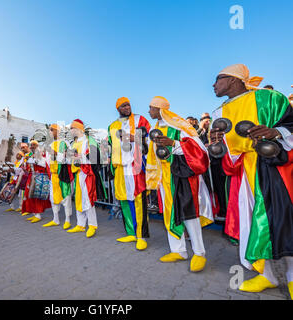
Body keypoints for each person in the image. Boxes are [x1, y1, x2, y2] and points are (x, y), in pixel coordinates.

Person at [210, 63, 293, 297]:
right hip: (243, 174)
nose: (214, 85)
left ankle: (292, 277)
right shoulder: (219, 112)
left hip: (275, 167)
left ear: (235, 80)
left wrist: (275, 133)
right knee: (252, 223)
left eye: (218, 79)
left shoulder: (270, 98)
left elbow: (290, 124)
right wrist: (219, 142)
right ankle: (266, 275)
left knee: (283, 220)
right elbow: (224, 149)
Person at [146, 96, 213, 272]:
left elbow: (198, 149)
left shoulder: (179, 124)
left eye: (151, 108)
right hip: (164, 178)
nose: (148, 111)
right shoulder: (155, 128)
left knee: (189, 213)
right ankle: (178, 250)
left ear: (159, 109)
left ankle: (199, 253)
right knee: (169, 214)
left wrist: (173, 143)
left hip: (182, 176)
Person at [108, 97, 151, 250]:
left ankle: (141, 235)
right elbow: (110, 144)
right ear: (118, 108)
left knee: (138, 199)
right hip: (120, 166)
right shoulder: (112, 126)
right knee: (125, 200)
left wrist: (135, 138)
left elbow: (150, 136)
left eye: (128, 104)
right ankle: (131, 233)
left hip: (135, 164)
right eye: (123, 105)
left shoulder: (140, 119)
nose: (127, 107)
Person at [67, 119, 105, 238]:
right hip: (78, 174)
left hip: (88, 174)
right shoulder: (73, 143)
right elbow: (69, 160)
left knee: (88, 199)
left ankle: (92, 225)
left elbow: (95, 158)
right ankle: (80, 224)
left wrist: (80, 157)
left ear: (78, 129)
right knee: (78, 199)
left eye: (72, 128)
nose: (71, 131)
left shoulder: (89, 141)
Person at [43, 124, 74, 229]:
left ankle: (67, 220)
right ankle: (55, 219)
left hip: (63, 175)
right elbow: (47, 161)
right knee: (53, 198)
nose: (50, 132)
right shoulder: (50, 145)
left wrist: (56, 154)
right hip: (53, 175)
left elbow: (70, 159)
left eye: (52, 130)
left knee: (66, 197)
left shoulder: (65, 143)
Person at [22, 140, 51, 223]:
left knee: (36, 195)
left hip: (39, 176)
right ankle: (34, 213)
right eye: (31, 145)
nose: (32, 146)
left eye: (34, 145)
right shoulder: (32, 154)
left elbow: (45, 163)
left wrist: (33, 160)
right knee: (29, 195)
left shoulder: (41, 153)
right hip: (32, 176)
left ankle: (38, 215)